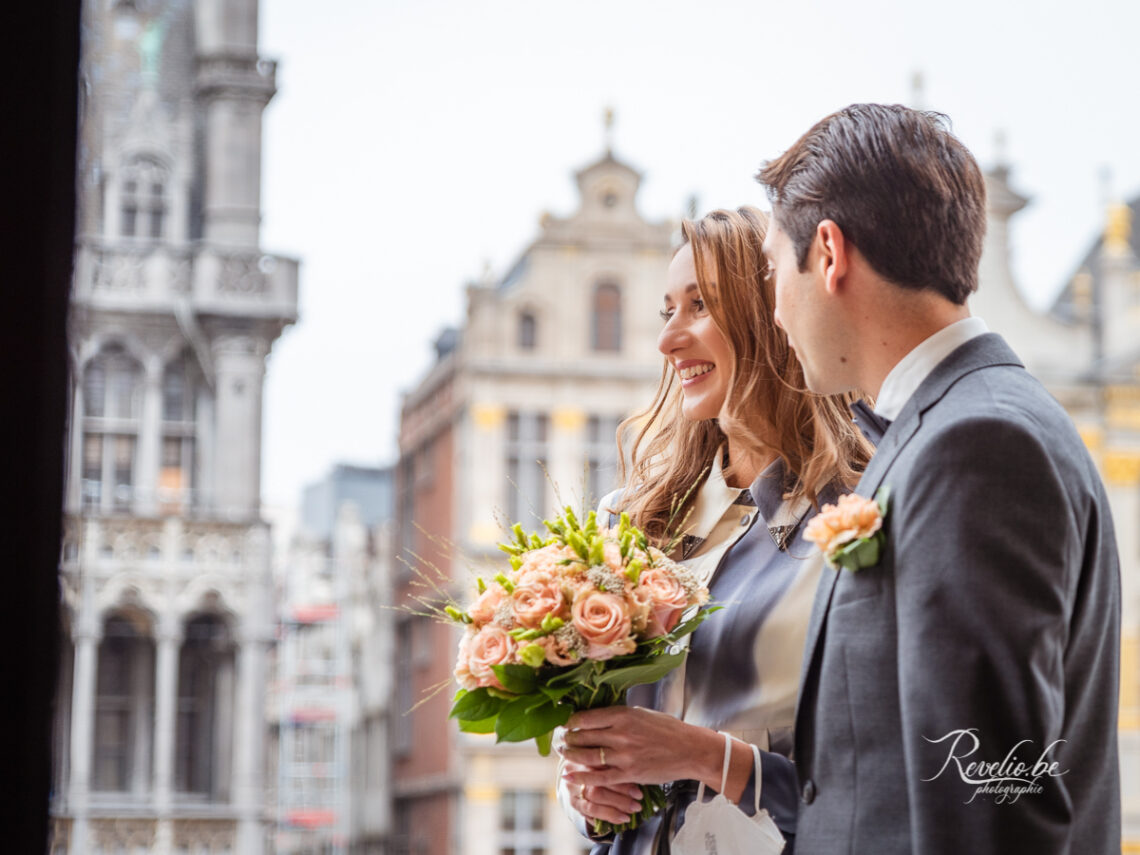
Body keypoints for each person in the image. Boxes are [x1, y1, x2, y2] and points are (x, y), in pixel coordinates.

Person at [756, 103, 1121, 853]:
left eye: (771, 270)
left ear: (828, 253)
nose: (774, 309)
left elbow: (992, 802)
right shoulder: (954, 424)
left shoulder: (976, 445)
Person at [556, 207, 873, 854]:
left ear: (771, 314)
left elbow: (873, 790)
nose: (669, 340)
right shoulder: (629, 520)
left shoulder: (855, 522)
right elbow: (593, 767)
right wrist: (586, 792)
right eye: (666, 311)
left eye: (698, 305)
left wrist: (706, 756)